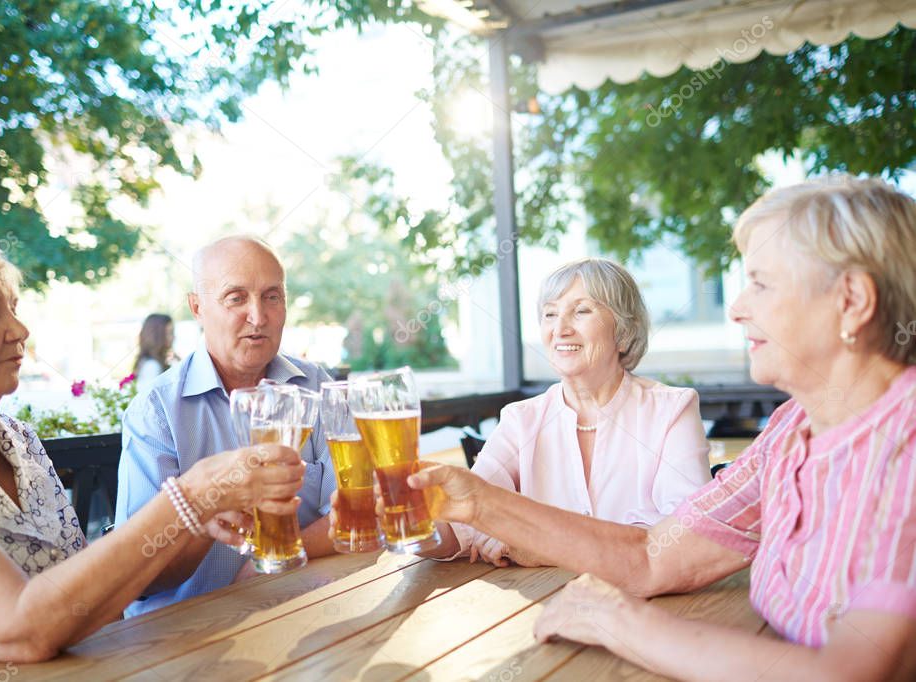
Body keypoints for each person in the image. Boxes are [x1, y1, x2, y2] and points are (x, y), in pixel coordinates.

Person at [384, 175, 916, 680]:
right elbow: (649, 558)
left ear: (851, 301)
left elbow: (851, 673)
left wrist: (622, 622)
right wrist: (476, 502)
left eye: (760, 283)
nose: (736, 308)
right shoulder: (789, 433)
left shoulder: (905, 440)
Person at [0, 225, 305, 679]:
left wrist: (195, 522)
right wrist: (188, 499)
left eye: (13, 309)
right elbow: (17, 628)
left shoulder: (18, 442)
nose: (20, 330)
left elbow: (93, 600)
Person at [427, 258, 711, 566]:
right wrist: (410, 520)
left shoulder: (672, 409)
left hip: (649, 607)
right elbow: (465, 520)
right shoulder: (521, 419)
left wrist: (541, 543)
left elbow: (688, 530)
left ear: (623, 328)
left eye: (581, 311)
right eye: (550, 314)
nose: (560, 329)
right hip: (538, 607)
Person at [117, 236, 337, 616]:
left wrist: (268, 561)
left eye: (272, 296)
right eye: (236, 297)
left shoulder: (319, 388)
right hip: (184, 639)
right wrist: (200, 518)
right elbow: (139, 575)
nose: (259, 316)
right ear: (198, 308)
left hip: (303, 612)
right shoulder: (157, 410)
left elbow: (356, 508)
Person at [133, 313, 176, 390]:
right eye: (170, 333)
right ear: (157, 336)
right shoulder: (152, 366)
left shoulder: (150, 362)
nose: (174, 337)